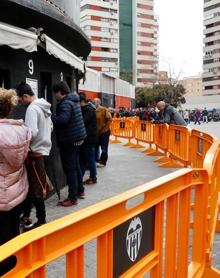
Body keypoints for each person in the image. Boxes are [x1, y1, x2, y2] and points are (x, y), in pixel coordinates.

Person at [0, 89, 31, 275]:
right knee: (12, 232)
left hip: (1, 197)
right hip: (18, 191)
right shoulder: (22, 130)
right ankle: (16, 268)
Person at [17, 82, 52, 230]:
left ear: (25, 96)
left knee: (36, 189)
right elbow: (51, 127)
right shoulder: (44, 106)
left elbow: (32, 132)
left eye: (20, 100)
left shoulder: (32, 108)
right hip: (44, 151)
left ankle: (41, 221)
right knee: (34, 187)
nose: (19, 104)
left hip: (35, 153)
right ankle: (26, 215)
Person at [52, 81, 86, 207]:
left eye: (55, 93)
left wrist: (51, 117)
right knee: (76, 166)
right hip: (78, 138)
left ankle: (72, 198)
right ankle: (80, 190)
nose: (55, 96)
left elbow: (63, 120)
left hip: (70, 140)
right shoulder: (74, 100)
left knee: (70, 169)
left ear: (60, 92)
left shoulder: (65, 103)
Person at [79, 93, 98, 185]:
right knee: (83, 159)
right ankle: (81, 177)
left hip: (89, 139)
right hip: (87, 138)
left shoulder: (88, 110)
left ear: (81, 101)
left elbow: (82, 121)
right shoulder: (88, 109)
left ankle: (93, 177)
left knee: (90, 159)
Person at [93, 98, 112, 167]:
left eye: (94, 101)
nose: (93, 102)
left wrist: (106, 128)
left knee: (104, 148)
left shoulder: (103, 109)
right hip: (97, 132)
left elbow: (110, 119)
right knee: (95, 147)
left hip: (104, 132)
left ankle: (103, 162)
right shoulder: (93, 110)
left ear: (98, 102)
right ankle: (97, 160)